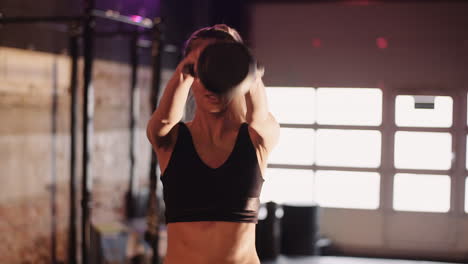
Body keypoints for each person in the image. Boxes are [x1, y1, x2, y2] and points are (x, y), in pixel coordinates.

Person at [146, 24, 280, 264]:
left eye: (222, 71)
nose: (211, 85)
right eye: (203, 72)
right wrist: (186, 69)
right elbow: (165, 119)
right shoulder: (170, 139)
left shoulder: (257, 137)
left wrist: (247, 69)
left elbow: (257, 116)